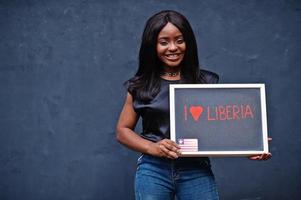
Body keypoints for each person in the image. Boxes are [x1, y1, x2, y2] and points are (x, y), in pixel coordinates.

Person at [116, 10, 271, 200]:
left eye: (179, 40)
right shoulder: (140, 86)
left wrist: (250, 144)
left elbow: (220, 127)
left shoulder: (206, 81)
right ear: (152, 45)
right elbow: (122, 130)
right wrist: (153, 148)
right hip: (153, 169)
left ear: (188, 43)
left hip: (195, 168)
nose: (173, 47)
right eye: (164, 42)